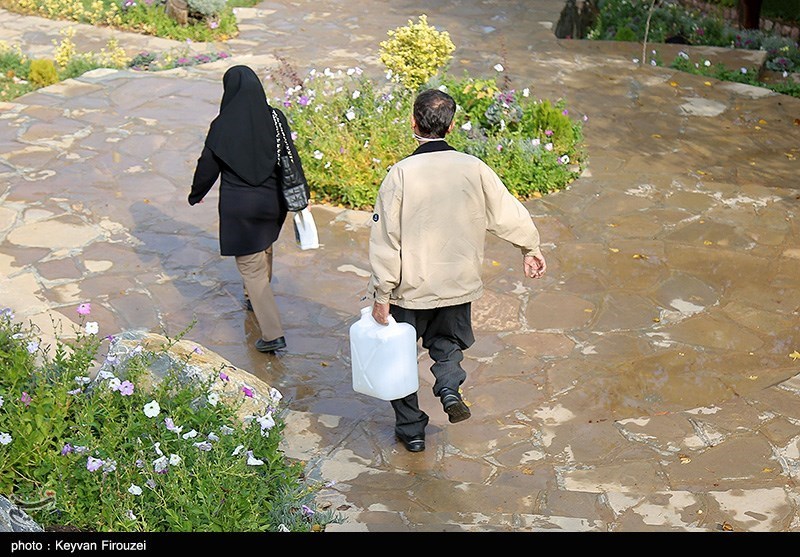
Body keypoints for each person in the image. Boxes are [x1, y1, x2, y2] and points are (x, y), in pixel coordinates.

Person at [367, 88, 547, 453]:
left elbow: (386, 239)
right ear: (450, 125)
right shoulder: (474, 168)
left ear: (414, 123)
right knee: (447, 345)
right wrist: (531, 247)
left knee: (399, 359)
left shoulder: (400, 175)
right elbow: (508, 212)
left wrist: (381, 295)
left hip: (410, 288)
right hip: (458, 283)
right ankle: (449, 388)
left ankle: (413, 431)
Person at [188, 65, 306, 353]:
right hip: (272, 204)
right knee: (264, 246)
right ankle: (253, 297)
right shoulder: (275, 117)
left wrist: (196, 194)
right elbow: (291, 157)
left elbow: (207, 166)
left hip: (239, 209)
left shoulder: (222, 125)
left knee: (250, 267)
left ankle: (272, 333)